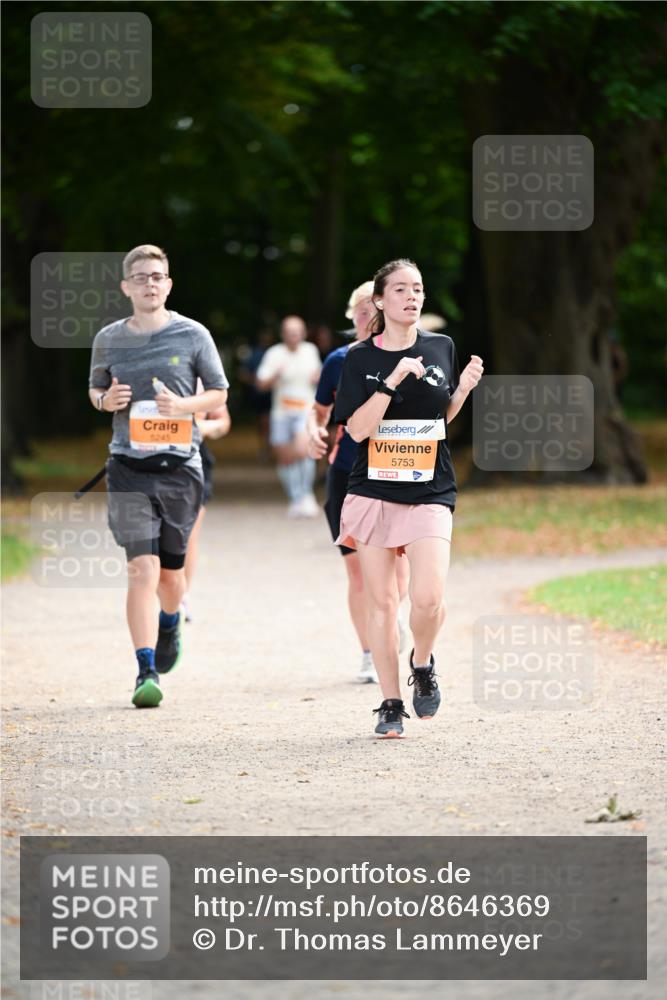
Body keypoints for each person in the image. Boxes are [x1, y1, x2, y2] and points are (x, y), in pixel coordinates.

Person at [333, 259, 484, 738]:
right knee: (381, 603)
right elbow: (356, 429)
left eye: (417, 289)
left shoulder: (442, 346)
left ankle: (422, 661)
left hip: (430, 490)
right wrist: (392, 382)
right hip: (373, 490)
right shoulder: (359, 357)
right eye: (400, 289)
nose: (411, 297)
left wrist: (460, 390)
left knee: (428, 597)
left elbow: (437, 422)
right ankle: (390, 702)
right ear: (379, 300)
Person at [88, 244, 228, 708]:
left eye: (159, 276)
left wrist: (181, 407)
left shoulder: (193, 335)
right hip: (127, 468)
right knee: (140, 569)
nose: (151, 283)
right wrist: (104, 402)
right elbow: (96, 388)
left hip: (179, 471)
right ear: (127, 286)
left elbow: (218, 393)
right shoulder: (109, 337)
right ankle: (145, 670)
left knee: (170, 578)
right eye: (142, 276)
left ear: (168, 284)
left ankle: (170, 622)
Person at [307, 281, 409, 683]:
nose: (368, 318)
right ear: (352, 318)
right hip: (346, 472)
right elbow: (319, 411)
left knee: (398, 573)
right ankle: (369, 650)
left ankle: (389, 617)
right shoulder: (338, 360)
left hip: (395, 473)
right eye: (361, 312)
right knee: (357, 573)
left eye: (374, 310)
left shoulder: (408, 356)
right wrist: (315, 431)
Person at [256, 315, 321, 517]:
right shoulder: (274, 353)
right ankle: (295, 498)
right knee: (285, 458)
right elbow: (260, 384)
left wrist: (318, 377)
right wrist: (276, 375)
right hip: (281, 413)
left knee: (304, 450)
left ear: (303, 333)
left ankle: (306, 495)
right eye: (290, 332)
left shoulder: (311, 350)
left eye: (297, 332)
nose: (294, 336)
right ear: (283, 334)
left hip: (304, 411)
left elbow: (319, 376)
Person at [181, 380, 232, 623]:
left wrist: (203, 427)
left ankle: (182, 596)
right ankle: (160, 592)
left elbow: (223, 422)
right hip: (153, 457)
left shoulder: (202, 377)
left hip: (195, 459)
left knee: (189, 534)